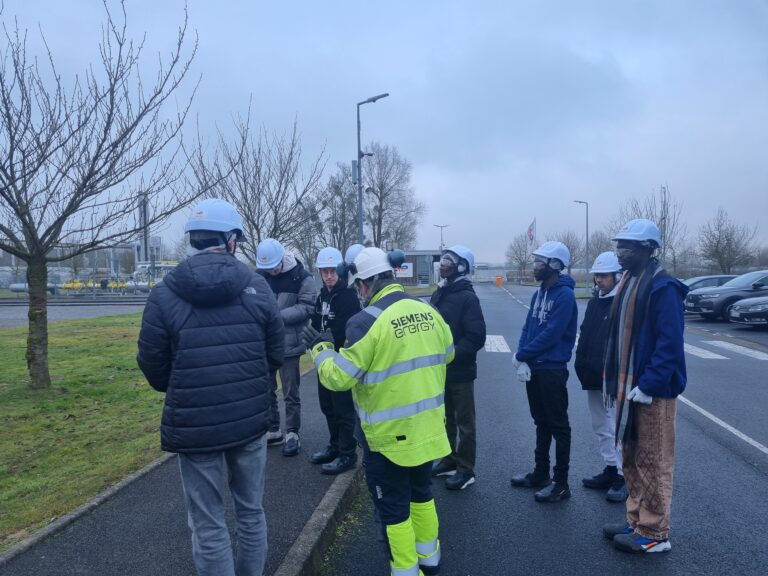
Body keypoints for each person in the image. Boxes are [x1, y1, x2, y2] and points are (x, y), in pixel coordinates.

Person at [137, 199, 285, 576]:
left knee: (207, 523)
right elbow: (275, 353)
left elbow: (153, 363)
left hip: (195, 425)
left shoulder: (163, 294)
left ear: (193, 240)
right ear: (231, 240)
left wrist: (184, 386)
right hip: (250, 418)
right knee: (250, 512)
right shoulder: (257, 287)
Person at [303, 247, 454, 576]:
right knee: (422, 495)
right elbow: (449, 353)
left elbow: (338, 378)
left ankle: (405, 571)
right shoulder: (428, 309)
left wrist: (321, 349)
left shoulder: (365, 321)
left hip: (388, 440)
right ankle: (430, 560)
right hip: (428, 429)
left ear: (363, 285)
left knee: (394, 511)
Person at [602, 219, 688, 554]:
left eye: (628, 247)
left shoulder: (663, 287)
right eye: (619, 245)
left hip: (653, 392)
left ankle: (654, 533)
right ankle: (636, 520)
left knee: (653, 461)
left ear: (648, 249)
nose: (620, 252)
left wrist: (649, 384)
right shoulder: (629, 281)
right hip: (630, 389)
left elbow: (669, 343)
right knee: (632, 458)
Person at [510, 241, 578, 503]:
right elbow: (528, 327)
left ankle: (561, 483)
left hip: (552, 369)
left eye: (540, 262)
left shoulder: (565, 296)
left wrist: (523, 355)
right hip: (535, 367)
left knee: (559, 426)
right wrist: (522, 357)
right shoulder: (539, 293)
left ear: (555, 265)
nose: (535, 266)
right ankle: (540, 473)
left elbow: (553, 333)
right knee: (540, 421)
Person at [429, 245, 487, 490]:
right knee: (445, 419)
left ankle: (465, 469)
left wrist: (451, 355)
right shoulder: (441, 292)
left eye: (449, 261)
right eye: (443, 260)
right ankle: (449, 459)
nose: (443, 264)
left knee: (464, 422)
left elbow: (477, 337)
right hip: (441, 370)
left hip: (460, 371)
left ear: (462, 267)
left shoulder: (467, 297)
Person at [574, 251, 627, 502]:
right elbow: (585, 333)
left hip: (612, 377)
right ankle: (610, 468)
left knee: (615, 427)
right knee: (600, 425)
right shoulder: (596, 301)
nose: (599, 280)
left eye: (604, 276)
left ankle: (623, 476)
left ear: (618, 276)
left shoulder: (623, 302)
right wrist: (581, 364)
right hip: (593, 374)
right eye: (597, 275)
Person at [256, 238, 316, 457]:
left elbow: (307, 307)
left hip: (289, 342)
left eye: (274, 268)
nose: (271, 273)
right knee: (266, 389)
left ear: (282, 259)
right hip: (265, 343)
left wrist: (276, 317)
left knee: (291, 391)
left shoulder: (302, 276)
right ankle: (273, 429)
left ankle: (292, 433)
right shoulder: (260, 275)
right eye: (267, 269)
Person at [309, 246, 362, 475]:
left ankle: (347, 454)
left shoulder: (348, 296)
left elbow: (348, 329)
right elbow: (316, 322)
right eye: (325, 272)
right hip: (324, 361)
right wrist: (314, 336)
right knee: (327, 406)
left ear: (340, 271)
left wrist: (327, 337)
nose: (329, 276)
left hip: (341, 360)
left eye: (333, 271)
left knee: (343, 409)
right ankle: (335, 446)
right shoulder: (322, 295)